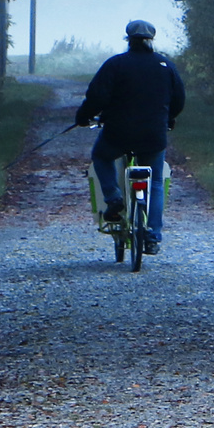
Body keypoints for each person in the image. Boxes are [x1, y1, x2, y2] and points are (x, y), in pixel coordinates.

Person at [75, 19, 185, 254]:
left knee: (101, 157)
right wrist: (169, 118)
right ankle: (153, 235)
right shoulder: (165, 64)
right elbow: (179, 99)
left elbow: (96, 96)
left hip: (118, 134)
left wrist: (83, 116)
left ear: (128, 39)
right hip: (153, 135)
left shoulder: (116, 64)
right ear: (151, 40)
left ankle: (114, 197)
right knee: (155, 181)